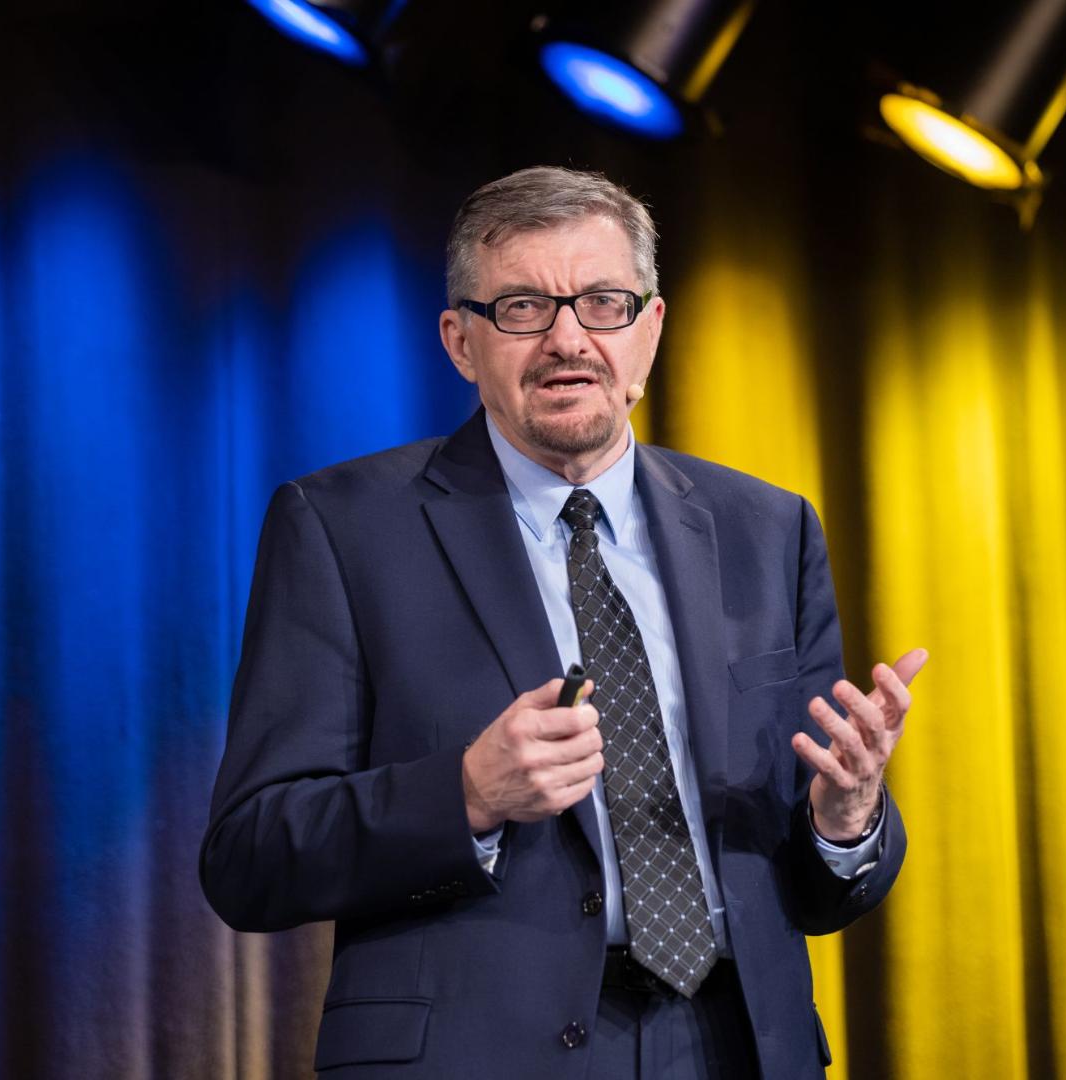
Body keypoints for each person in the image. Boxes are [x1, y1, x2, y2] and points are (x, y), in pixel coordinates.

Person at [200, 165, 926, 1079]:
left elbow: (814, 889)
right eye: (522, 309)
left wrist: (844, 820)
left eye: (603, 303)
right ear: (460, 341)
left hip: (731, 1047)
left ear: (649, 328)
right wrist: (465, 794)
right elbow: (250, 858)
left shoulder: (765, 529)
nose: (568, 340)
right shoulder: (343, 528)